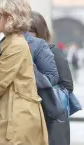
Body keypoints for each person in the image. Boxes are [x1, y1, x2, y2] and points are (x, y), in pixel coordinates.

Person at [0, 0, 48, 145]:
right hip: (13, 111)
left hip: (16, 116)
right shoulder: (12, 41)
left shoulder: (16, 44)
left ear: (9, 19)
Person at [30, 11, 73, 145]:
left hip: (51, 119)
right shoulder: (18, 52)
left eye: (31, 31)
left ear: (40, 32)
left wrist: (44, 90)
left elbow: (67, 86)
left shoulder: (53, 52)